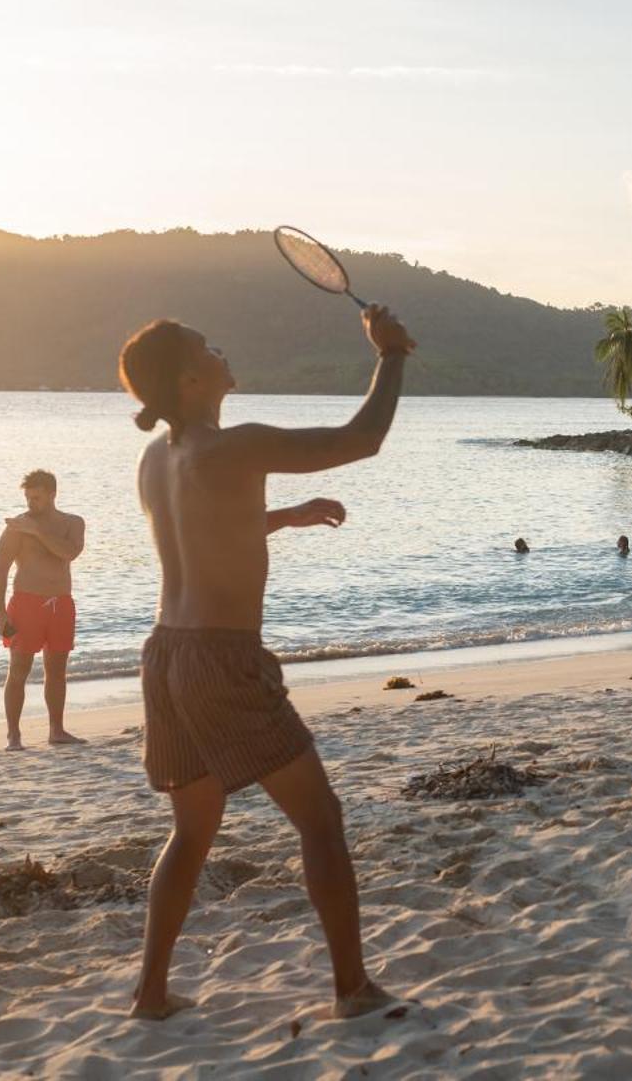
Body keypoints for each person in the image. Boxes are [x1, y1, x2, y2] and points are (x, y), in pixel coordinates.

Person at [116, 304, 413, 1021]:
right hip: (223, 661)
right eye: (209, 344)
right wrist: (391, 355)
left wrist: (287, 514)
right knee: (321, 820)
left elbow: (206, 527)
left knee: (191, 831)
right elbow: (361, 438)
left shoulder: (156, 458)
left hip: (166, 657)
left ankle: (150, 995)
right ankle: (351, 990)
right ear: (190, 377)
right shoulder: (235, 445)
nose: (222, 349)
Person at [0, 469, 86, 750]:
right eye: (28, 498)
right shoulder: (17, 527)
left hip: (61, 604)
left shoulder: (73, 523)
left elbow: (69, 553)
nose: (30, 503)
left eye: (36, 498)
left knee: (57, 670)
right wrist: (0, 610)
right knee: (19, 669)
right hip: (26, 603)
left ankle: (57, 730)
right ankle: (14, 735)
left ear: (52, 494)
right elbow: (0, 571)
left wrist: (38, 531)